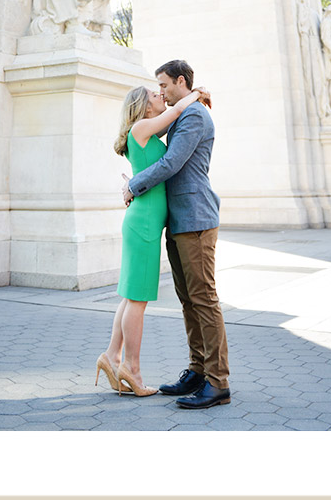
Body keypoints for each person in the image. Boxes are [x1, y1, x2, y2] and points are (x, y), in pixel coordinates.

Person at [123, 58, 230, 409]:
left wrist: (133, 186)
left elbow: (172, 164)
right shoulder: (184, 112)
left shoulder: (194, 115)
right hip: (180, 220)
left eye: (164, 85)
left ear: (180, 81)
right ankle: (198, 370)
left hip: (196, 217)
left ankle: (217, 381)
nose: (161, 92)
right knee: (188, 300)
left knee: (204, 299)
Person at [97, 82, 205, 396]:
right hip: (143, 224)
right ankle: (131, 369)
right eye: (154, 94)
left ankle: (111, 355)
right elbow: (176, 111)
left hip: (142, 221)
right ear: (144, 107)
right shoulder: (143, 127)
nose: (160, 96)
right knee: (139, 300)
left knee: (131, 297)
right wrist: (195, 94)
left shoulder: (145, 132)